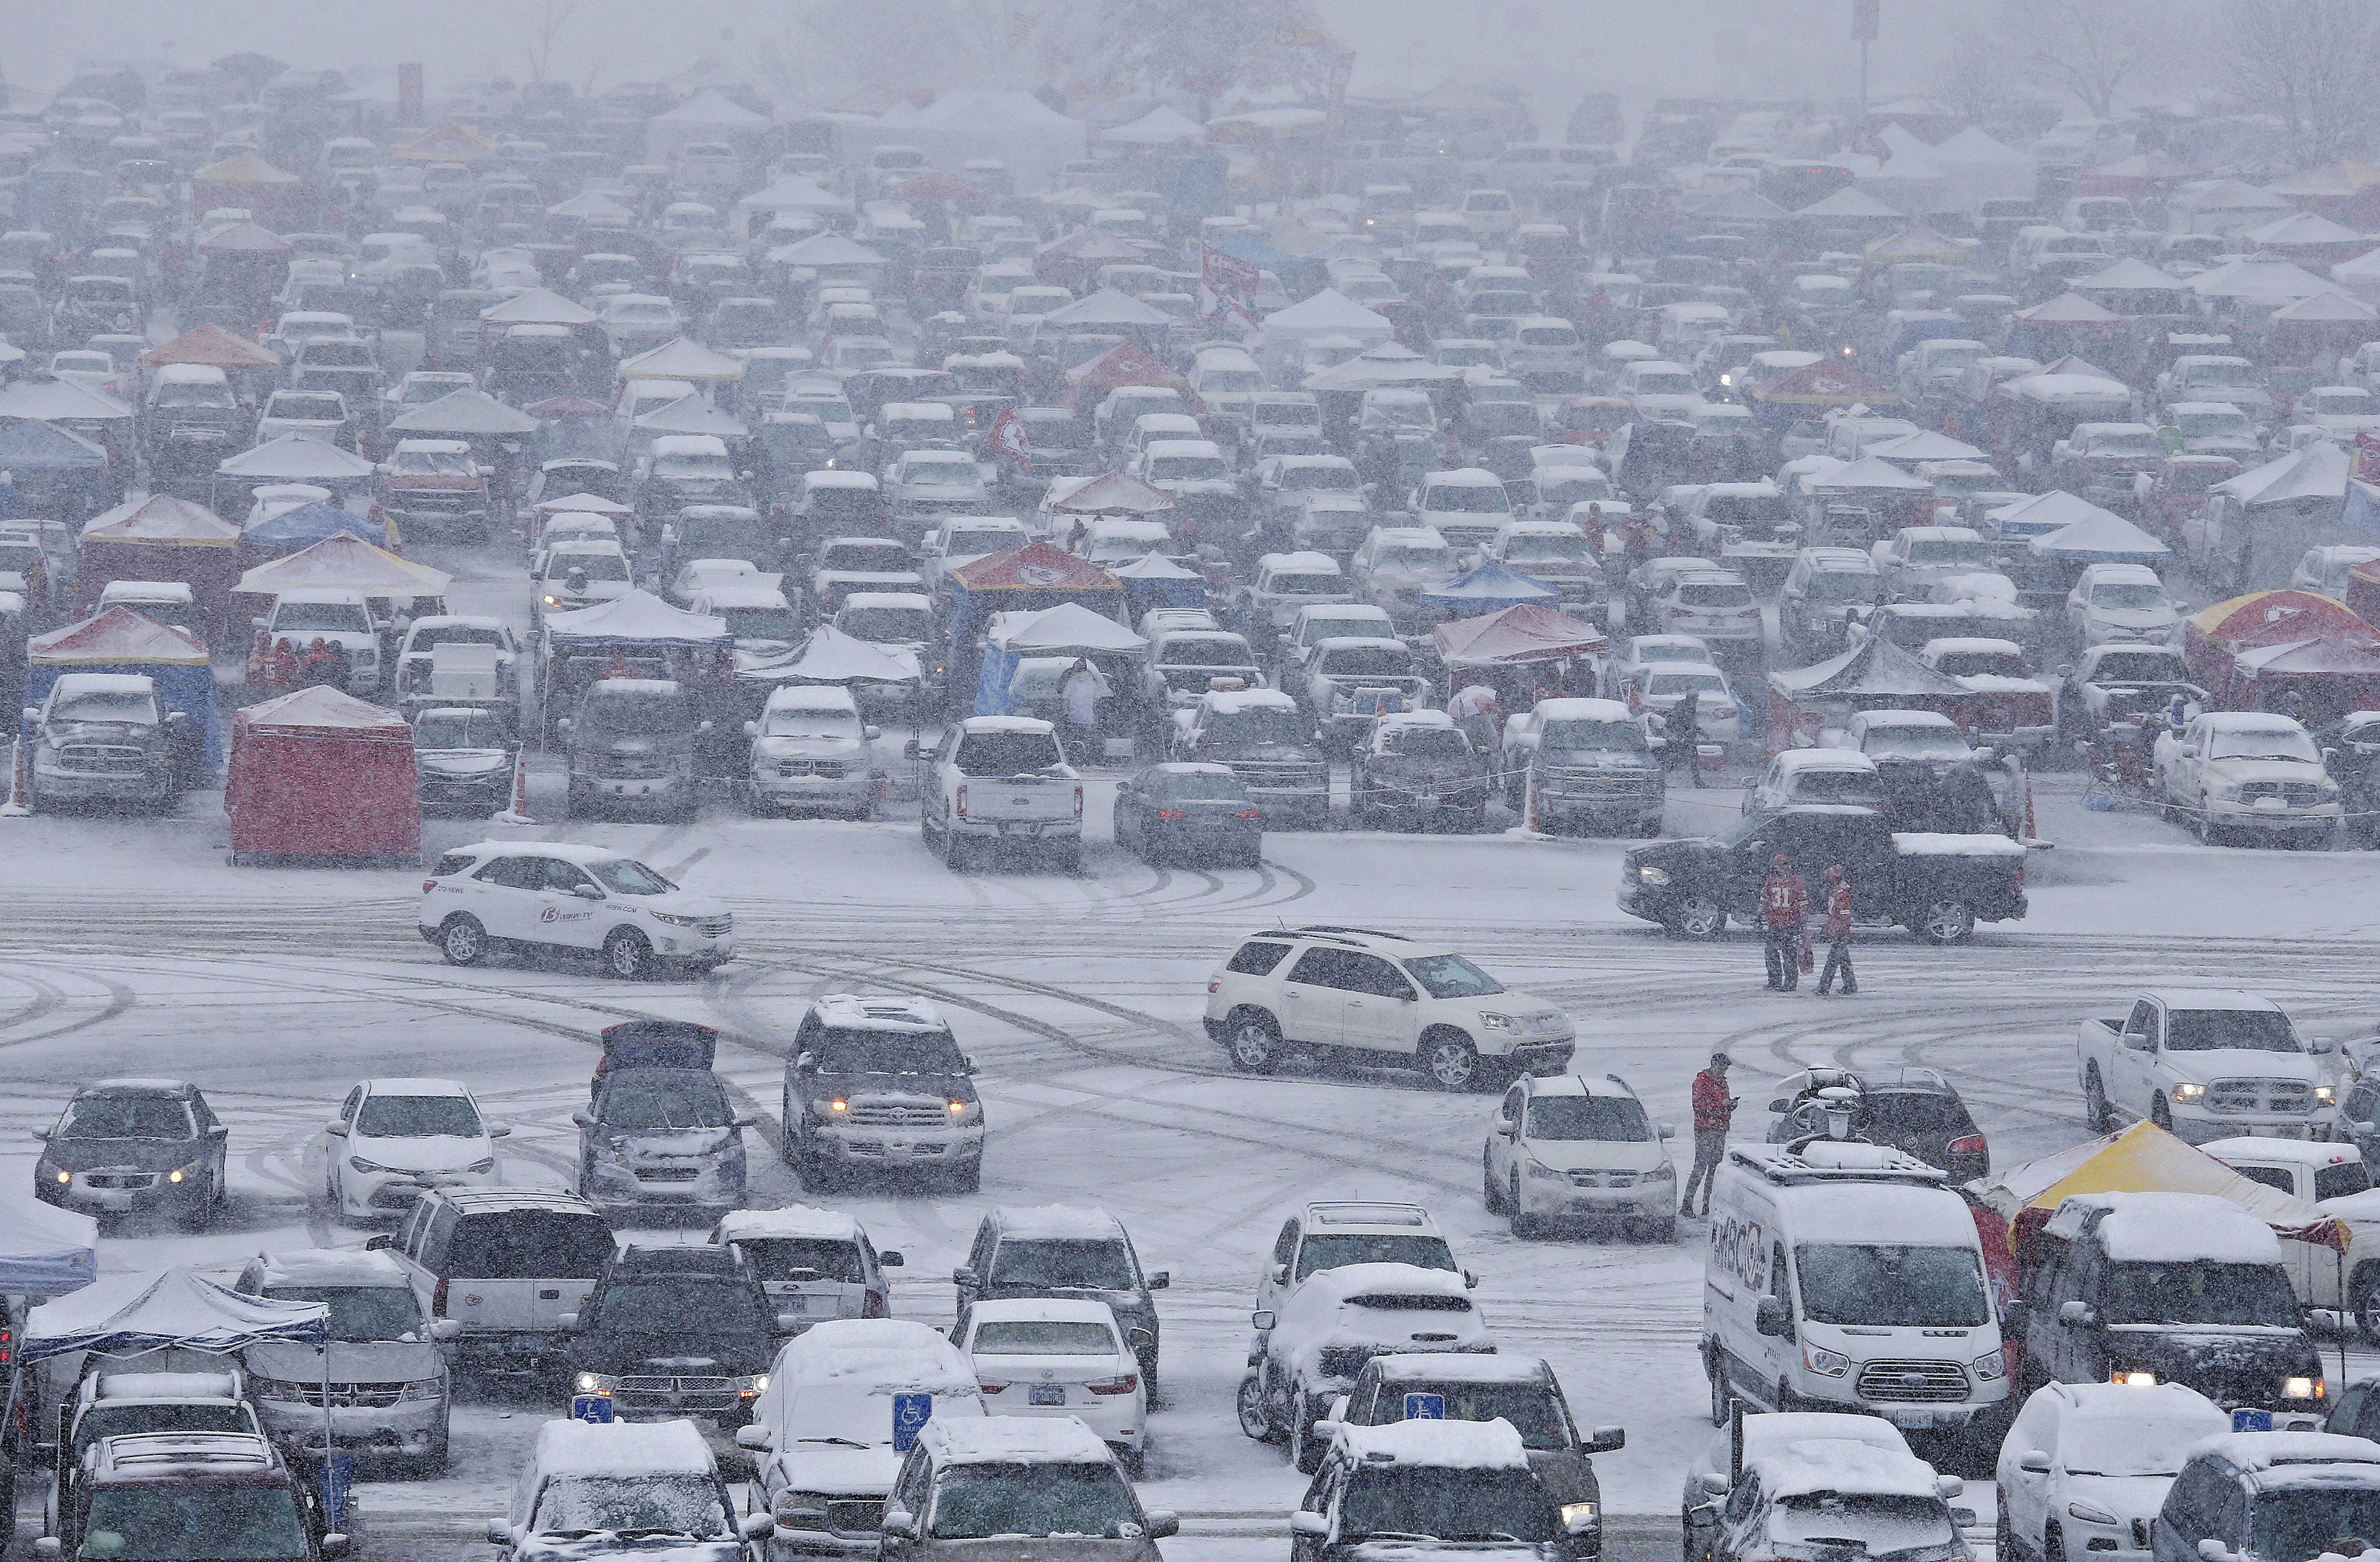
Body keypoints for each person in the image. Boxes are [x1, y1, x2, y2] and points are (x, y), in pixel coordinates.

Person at [1683, 1052, 1736, 1217]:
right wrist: (1722, 1105)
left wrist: (1730, 1106)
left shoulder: (1723, 1084)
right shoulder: (1701, 1082)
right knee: (1700, 1167)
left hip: (1720, 1129)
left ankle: (1708, 1205)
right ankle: (1687, 1204)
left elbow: (1717, 1106)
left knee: (1715, 1168)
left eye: (1726, 1068)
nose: (1724, 1071)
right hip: (1705, 1130)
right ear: (1714, 1065)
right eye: (1722, 1067)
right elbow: (1698, 1105)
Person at [1759, 852, 1808, 991]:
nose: (1781, 868)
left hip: (1790, 923)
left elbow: (1803, 903)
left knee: (1789, 953)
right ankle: (1774, 980)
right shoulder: (1771, 881)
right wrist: (1758, 916)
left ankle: (1790, 983)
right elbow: (1765, 900)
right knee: (1771, 952)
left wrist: (1802, 921)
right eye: (1778, 865)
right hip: (1774, 922)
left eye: (1784, 865)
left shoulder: (1795, 881)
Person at [1815, 863, 1858, 995]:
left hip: (1839, 932)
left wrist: (1841, 929)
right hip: (1838, 930)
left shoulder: (1842, 893)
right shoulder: (1838, 891)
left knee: (1832, 961)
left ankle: (1824, 987)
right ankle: (1850, 985)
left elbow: (1844, 914)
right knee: (1843, 960)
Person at [1059, 657, 1108, 764]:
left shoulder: (1073, 681)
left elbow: (1065, 697)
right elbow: (1098, 698)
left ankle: (1076, 756)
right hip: (1089, 716)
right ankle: (1089, 757)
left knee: (1075, 736)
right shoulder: (1092, 681)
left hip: (1074, 715)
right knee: (1088, 738)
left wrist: (1066, 710)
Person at [1666, 691, 1702, 786]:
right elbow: (1680, 721)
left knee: (1689, 758)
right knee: (1687, 758)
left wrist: (1698, 730)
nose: (1697, 701)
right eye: (1695, 698)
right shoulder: (1685, 708)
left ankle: (1696, 780)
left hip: (1686, 737)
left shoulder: (1688, 706)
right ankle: (1695, 780)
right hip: (1682, 737)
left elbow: (1691, 723)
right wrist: (1684, 734)